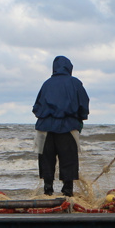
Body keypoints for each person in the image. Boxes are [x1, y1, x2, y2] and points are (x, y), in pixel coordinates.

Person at [32, 56, 90, 197]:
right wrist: (81, 118)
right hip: (67, 128)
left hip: (44, 129)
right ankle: (67, 192)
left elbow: (36, 108)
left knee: (47, 161)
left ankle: (48, 191)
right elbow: (83, 104)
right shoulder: (75, 83)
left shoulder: (46, 84)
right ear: (69, 68)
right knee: (68, 160)